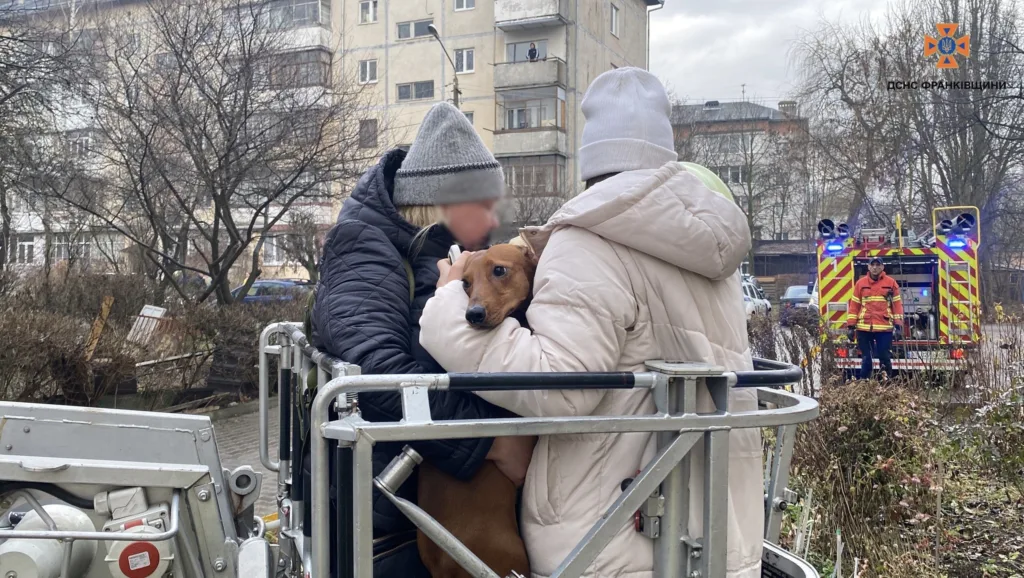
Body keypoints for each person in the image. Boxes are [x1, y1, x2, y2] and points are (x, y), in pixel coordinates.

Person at [419, 67, 763, 578]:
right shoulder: (711, 252)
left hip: (607, 534)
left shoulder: (588, 244)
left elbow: (564, 386)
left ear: (592, 160)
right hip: (715, 532)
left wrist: (448, 304)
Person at [309, 102, 535, 577]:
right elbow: (374, 372)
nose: (494, 216)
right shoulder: (364, 245)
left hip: (432, 497)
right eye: (484, 203)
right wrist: (492, 442)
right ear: (443, 203)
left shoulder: (444, 251)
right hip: (389, 513)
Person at [847, 256, 903, 380]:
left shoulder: (891, 283)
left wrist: (898, 325)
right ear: (868, 267)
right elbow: (854, 305)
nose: (875, 267)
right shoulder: (860, 284)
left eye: (878, 265)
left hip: (884, 329)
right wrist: (851, 326)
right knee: (866, 358)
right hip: (864, 328)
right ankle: (864, 384)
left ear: (882, 267)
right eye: (873, 265)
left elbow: (897, 305)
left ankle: (885, 383)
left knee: (884, 357)